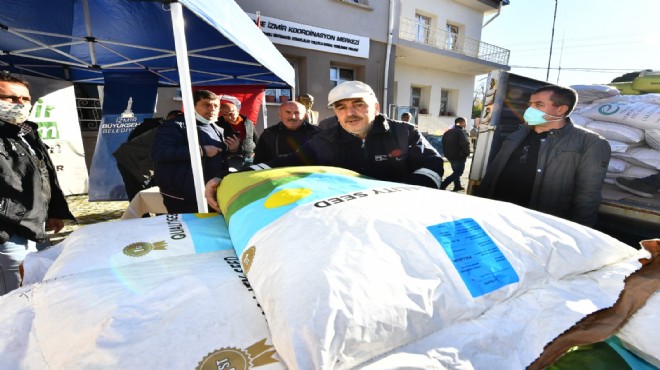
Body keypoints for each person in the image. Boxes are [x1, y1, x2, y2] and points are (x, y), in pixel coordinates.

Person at [206, 80, 444, 211]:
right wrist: (226, 178)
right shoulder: (325, 140)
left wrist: (407, 197)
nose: (350, 113)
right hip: (353, 221)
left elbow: (431, 164)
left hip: (404, 214)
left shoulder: (404, 132)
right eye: (341, 107)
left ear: (376, 107)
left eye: (358, 104)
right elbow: (285, 163)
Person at [475, 85, 611, 227]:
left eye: (539, 105)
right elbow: (492, 174)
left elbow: (587, 194)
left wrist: (581, 231)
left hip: (539, 224)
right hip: (498, 216)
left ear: (561, 109)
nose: (530, 109)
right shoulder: (517, 134)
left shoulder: (590, 143)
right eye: (530, 104)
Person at [0, 71, 75, 295]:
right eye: (11, 98)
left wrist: (54, 211)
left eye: (25, 99)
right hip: (7, 233)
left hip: (36, 227)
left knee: (39, 287)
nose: (20, 104)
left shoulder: (27, 132)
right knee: (14, 296)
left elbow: (46, 174)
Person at [151, 90, 228, 213]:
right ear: (192, 106)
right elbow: (160, 153)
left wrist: (232, 149)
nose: (212, 109)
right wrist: (202, 151)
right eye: (207, 105)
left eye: (216, 106)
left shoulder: (217, 129)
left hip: (210, 192)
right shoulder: (173, 126)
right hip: (182, 196)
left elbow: (218, 156)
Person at [113, 110, 182, 201]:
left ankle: (154, 212)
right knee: (138, 194)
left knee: (152, 192)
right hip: (130, 161)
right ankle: (141, 214)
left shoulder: (158, 127)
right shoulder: (165, 131)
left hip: (136, 159)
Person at [253, 101, 320, 163]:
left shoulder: (317, 133)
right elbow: (259, 162)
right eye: (288, 112)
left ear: (304, 116)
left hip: (309, 174)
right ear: (280, 114)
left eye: (297, 113)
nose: (292, 117)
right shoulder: (269, 134)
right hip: (277, 175)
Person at [216, 98, 258, 171]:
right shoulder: (218, 125)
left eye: (231, 113)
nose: (229, 116)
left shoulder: (248, 123)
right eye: (225, 114)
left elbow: (255, 139)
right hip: (231, 158)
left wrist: (257, 153)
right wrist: (229, 149)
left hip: (250, 157)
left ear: (237, 111)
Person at [440, 117, 471, 192]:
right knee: (458, 172)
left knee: (456, 171)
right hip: (459, 156)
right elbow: (465, 143)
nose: (466, 124)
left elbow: (443, 143)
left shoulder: (447, 132)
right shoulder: (461, 131)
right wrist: (467, 153)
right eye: (465, 122)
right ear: (462, 123)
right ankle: (443, 184)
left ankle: (457, 186)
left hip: (449, 155)